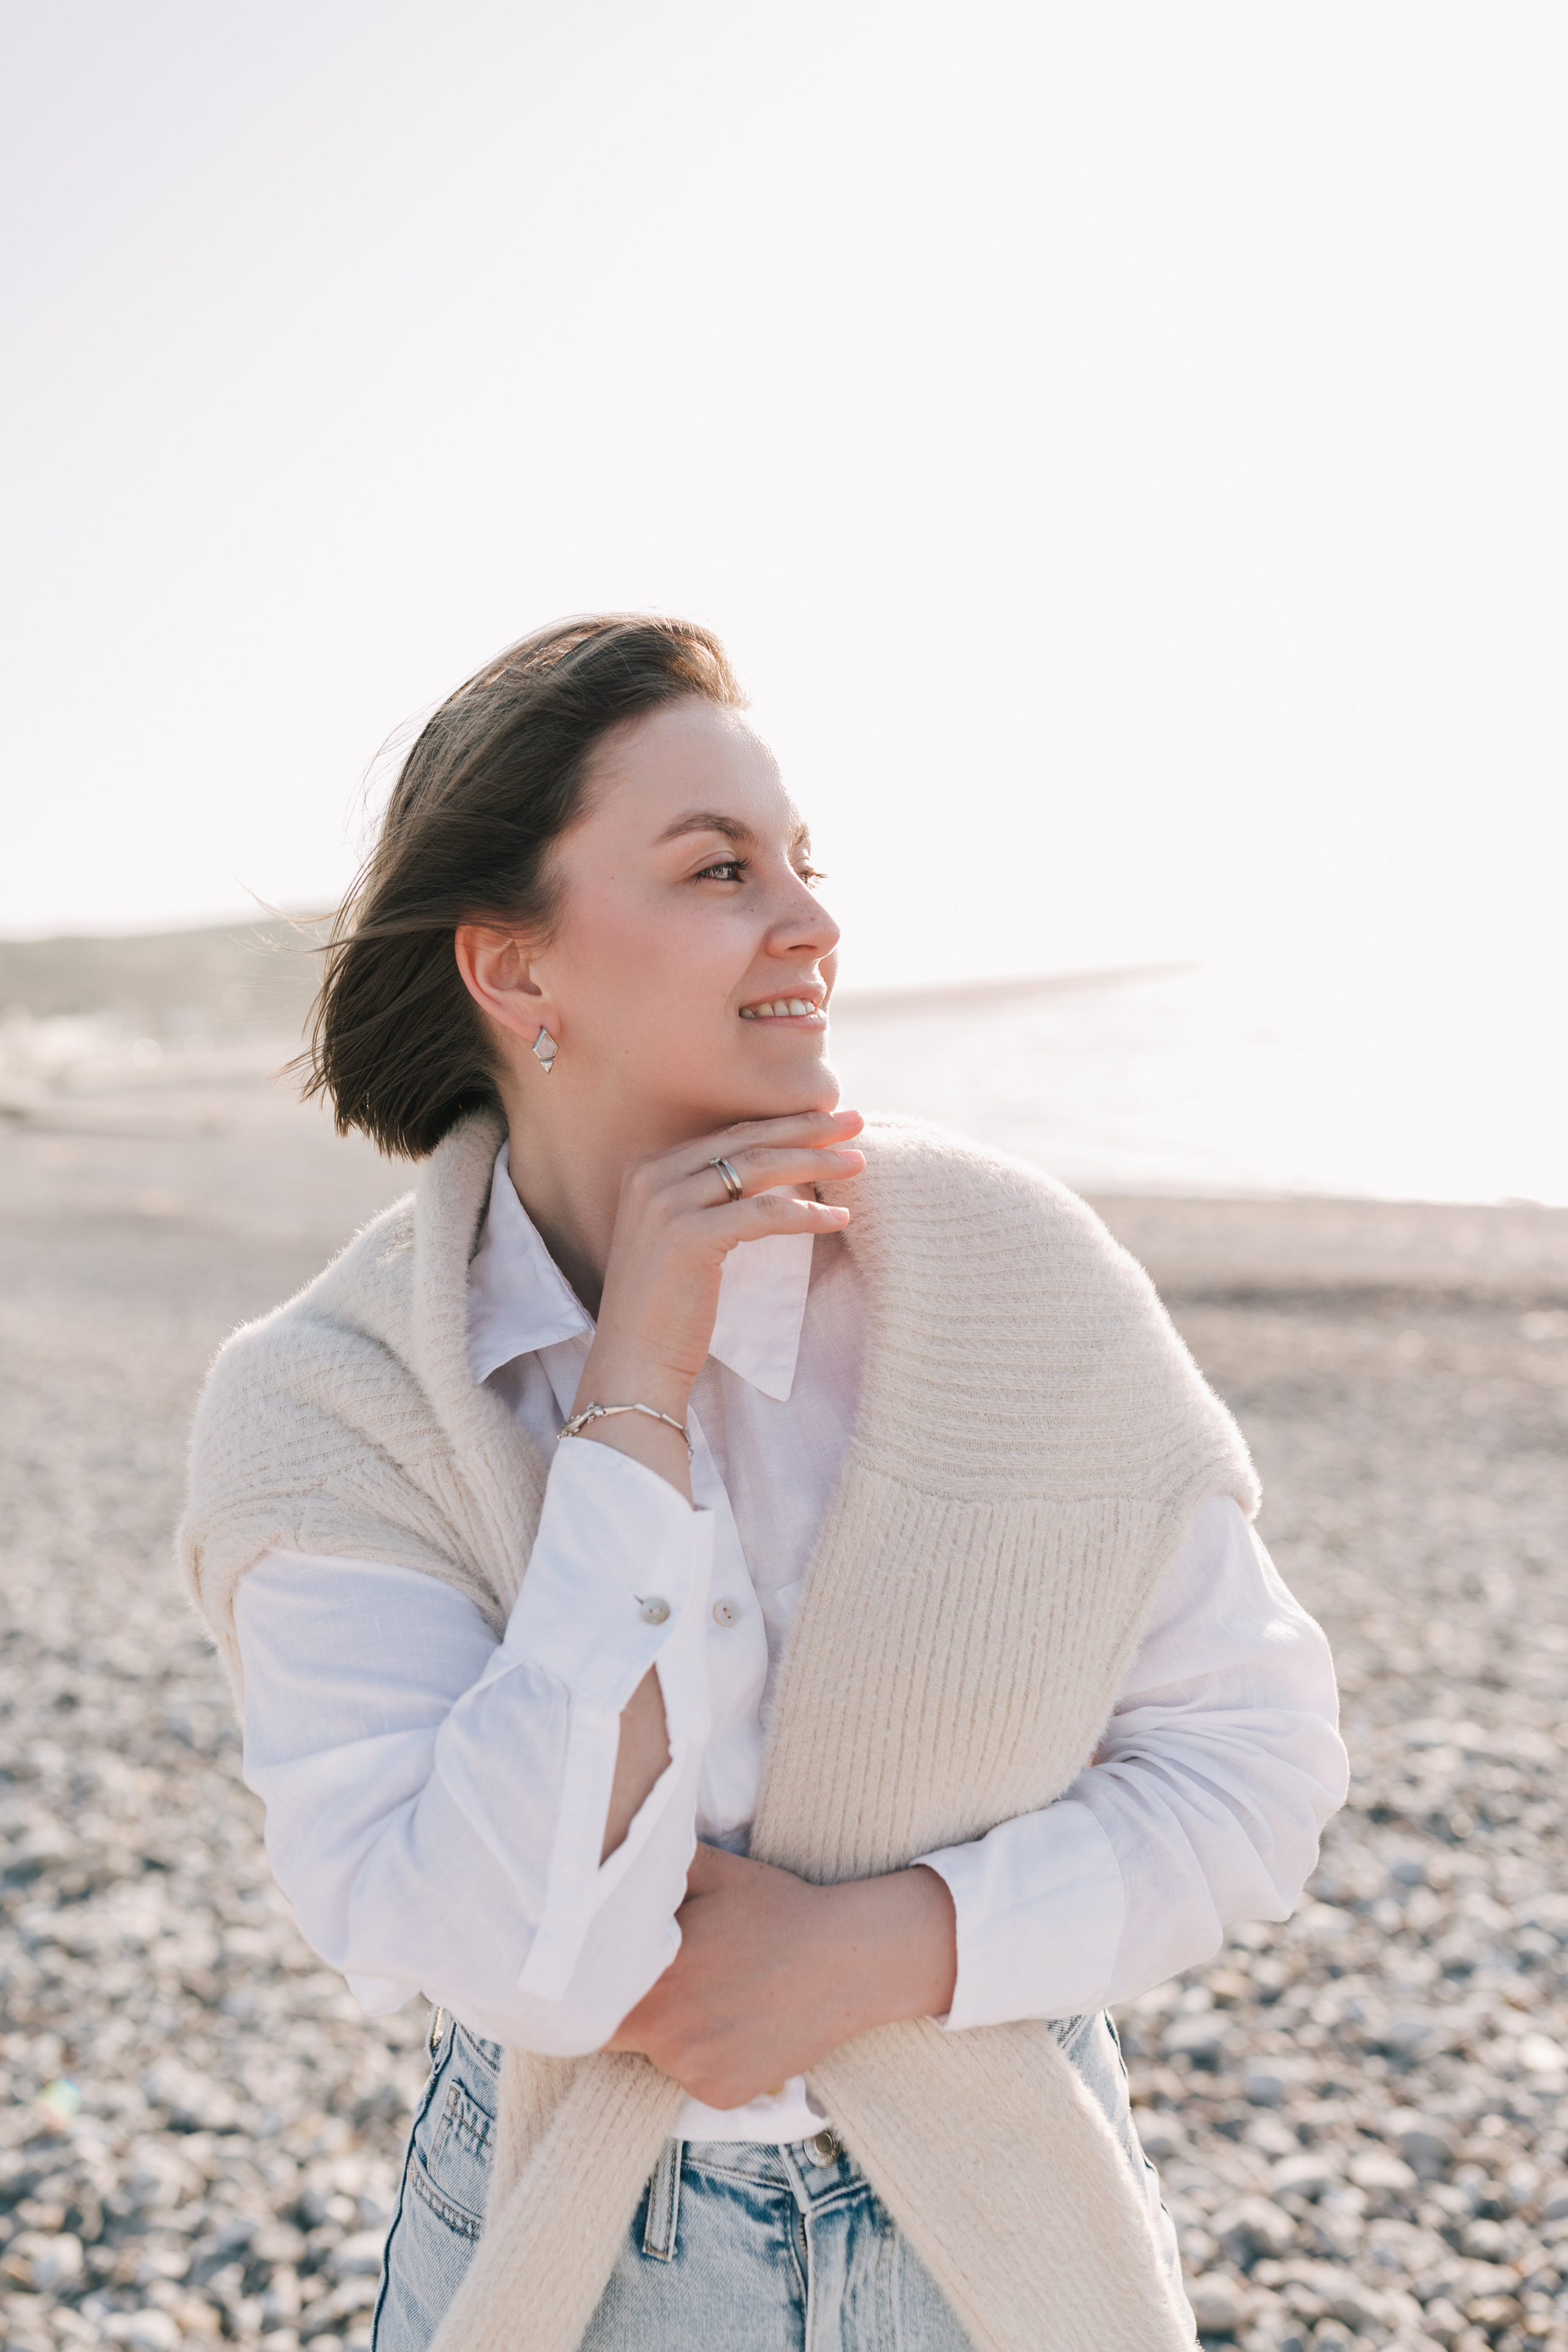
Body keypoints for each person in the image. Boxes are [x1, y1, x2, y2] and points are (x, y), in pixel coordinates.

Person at [180, 614, 1348, 2352]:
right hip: (568, 2259)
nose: (812, 922)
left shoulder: (1010, 1275)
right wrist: (633, 1398)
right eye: (721, 868)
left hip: (1003, 2226)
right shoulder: (325, 1410)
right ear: (515, 969)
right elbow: (511, 1960)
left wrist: (882, 1950)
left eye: (805, 862)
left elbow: (1255, 1768)